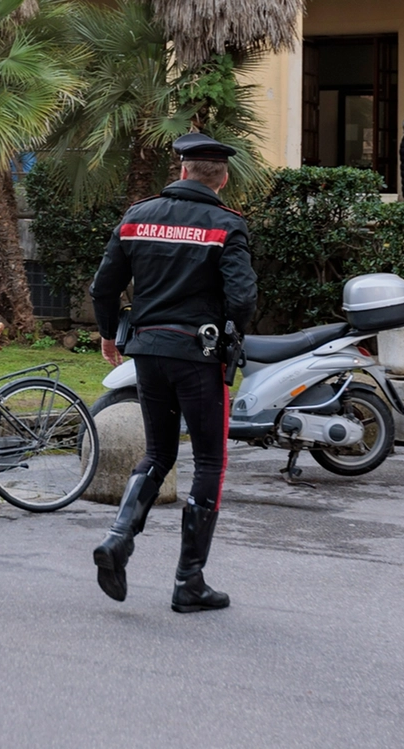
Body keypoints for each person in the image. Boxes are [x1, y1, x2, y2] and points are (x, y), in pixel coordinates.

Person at [87, 132, 257, 613]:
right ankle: (189, 582)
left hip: (147, 354)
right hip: (198, 357)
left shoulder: (137, 217)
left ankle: (119, 539)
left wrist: (107, 333)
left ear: (182, 171)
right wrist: (231, 333)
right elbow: (243, 299)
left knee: (157, 453)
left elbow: (104, 287)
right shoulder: (227, 225)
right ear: (221, 179)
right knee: (208, 462)